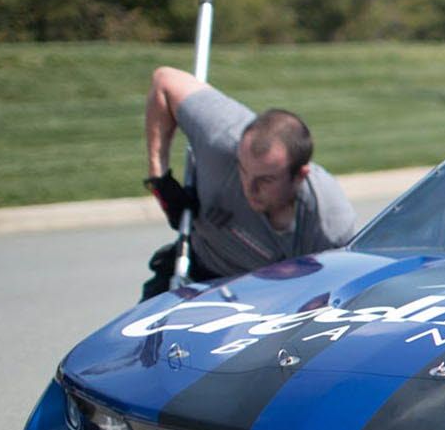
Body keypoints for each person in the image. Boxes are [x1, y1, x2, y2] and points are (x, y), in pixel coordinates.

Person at [140, 67, 358, 299]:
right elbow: (165, 80)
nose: (250, 189)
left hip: (275, 297)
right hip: (198, 273)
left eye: (265, 180)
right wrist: (160, 179)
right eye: (243, 171)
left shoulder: (329, 222)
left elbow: (337, 291)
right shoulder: (221, 138)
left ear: (299, 175)